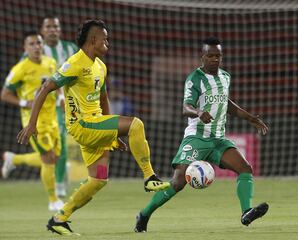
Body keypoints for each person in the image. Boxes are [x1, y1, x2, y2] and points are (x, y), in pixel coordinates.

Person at [17, 19, 170, 236]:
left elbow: (103, 97)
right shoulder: (75, 63)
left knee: (98, 180)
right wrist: (32, 124)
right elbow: (45, 88)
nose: (108, 43)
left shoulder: (100, 66)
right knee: (136, 124)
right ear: (93, 40)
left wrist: (112, 134)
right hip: (82, 125)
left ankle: (59, 219)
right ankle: (150, 177)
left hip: (95, 125)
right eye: (105, 39)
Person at [134, 37, 269, 233]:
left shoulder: (225, 76)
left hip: (218, 139)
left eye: (218, 56)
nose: (215, 59)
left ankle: (246, 212)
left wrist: (250, 118)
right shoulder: (194, 79)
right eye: (211, 56)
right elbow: (185, 107)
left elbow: (226, 102)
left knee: (245, 168)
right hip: (196, 138)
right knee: (178, 182)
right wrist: (198, 112)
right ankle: (144, 214)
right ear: (202, 57)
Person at [1, 16, 78, 198]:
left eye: (56, 26)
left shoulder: (69, 50)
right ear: (43, 30)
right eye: (49, 26)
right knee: (52, 154)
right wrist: (24, 103)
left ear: (60, 30)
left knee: (57, 152)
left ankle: (14, 159)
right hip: (36, 113)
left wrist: (64, 100)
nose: (53, 30)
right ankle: (57, 189)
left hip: (60, 105)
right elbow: (16, 87)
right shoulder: (25, 62)